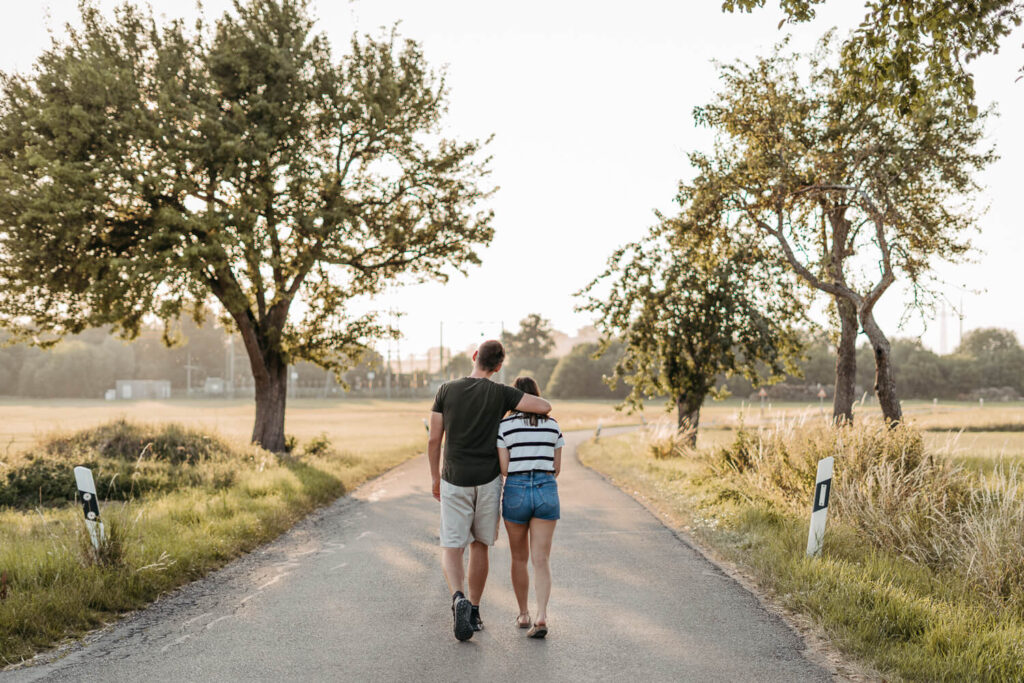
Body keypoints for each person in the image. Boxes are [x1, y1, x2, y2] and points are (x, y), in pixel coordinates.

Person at [428, 340, 552, 642]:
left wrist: (434, 478)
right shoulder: (501, 393)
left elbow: (434, 439)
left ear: (474, 357)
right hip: (488, 480)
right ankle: (475, 610)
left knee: (451, 545)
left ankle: (458, 598)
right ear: (498, 367)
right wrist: (513, 403)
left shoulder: (446, 390)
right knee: (480, 545)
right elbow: (544, 406)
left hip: (453, 477)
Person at [497, 376, 563, 639]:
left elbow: (503, 469)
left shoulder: (505, 427)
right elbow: (556, 468)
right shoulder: (553, 426)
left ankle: (523, 613)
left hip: (516, 490)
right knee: (541, 559)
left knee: (519, 558)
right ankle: (542, 616)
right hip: (546, 489)